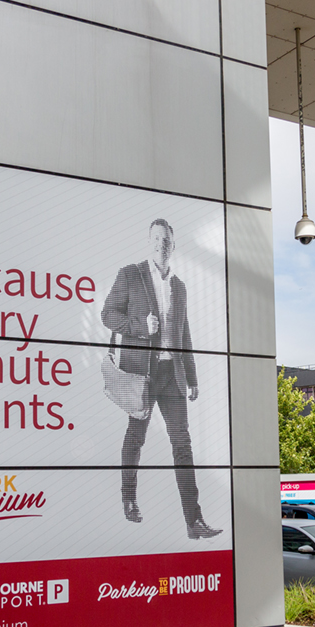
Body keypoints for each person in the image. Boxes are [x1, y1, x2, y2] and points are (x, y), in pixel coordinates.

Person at [101, 219, 220, 540]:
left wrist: (192, 376)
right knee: (135, 437)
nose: (161, 245)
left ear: (173, 245)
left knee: (182, 445)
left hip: (173, 375)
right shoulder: (131, 274)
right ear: (148, 241)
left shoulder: (179, 286)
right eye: (156, 239)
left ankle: (193, 522)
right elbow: (107, 314)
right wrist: (141, 325)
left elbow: (185, 333)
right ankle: (128, 498)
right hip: (142, 373)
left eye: (166, 240)